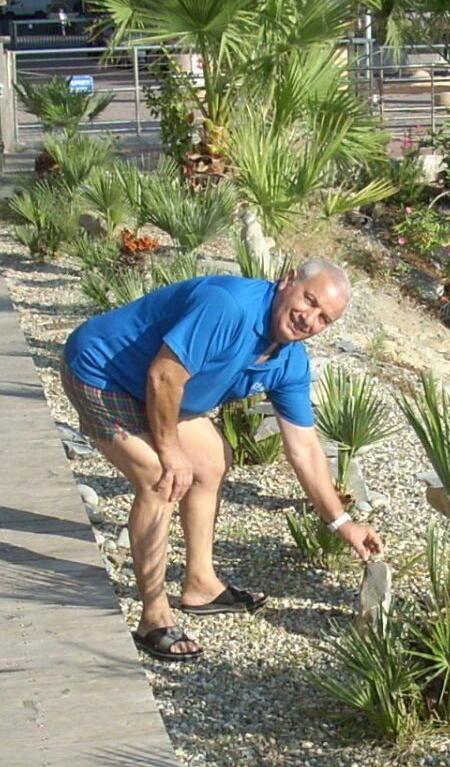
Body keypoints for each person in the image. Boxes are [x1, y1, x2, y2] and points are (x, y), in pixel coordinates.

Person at [59, 260, 383, 662]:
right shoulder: (229, 307)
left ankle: (201, 585)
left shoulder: (290, 362)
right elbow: (164, 376)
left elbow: (304, 448)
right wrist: (171, 452)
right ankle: (153, 616)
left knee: (212, 460)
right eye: (309, 300)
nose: (309, 319)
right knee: (161, 479)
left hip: (157, 389)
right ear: (287, 281)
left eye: (324, 319)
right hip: (102, 371)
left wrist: (343, 523)